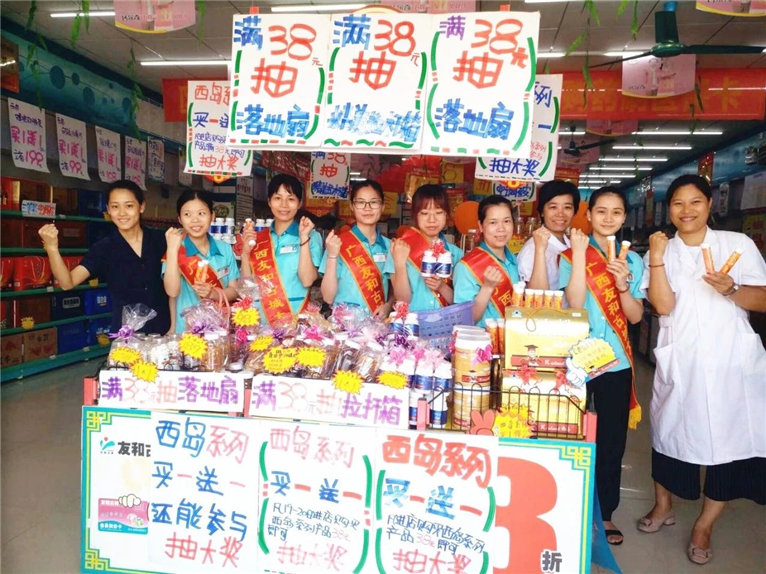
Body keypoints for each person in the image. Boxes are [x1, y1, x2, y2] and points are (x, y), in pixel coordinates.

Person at [637, 174, 766, 566]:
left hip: (731, 361)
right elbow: (662, 306)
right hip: (683, 359)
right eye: (678, 203)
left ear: (710, 204)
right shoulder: (663, 249)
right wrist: (657, 257)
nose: (687, 210)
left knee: (729, 445)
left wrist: (731, 289)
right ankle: (664, 506)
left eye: (695, 201)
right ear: (669, 209)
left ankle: (704, 526)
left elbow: (762, 298)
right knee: (670, 435)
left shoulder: (736, 244)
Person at [559, 186, 644, 546]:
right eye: (601, 211)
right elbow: (575, 304)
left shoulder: (633, 260)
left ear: (624, 217)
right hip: (574, 361)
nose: (608, 218)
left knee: (611, 441)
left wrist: (622, 285)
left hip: (616, 363)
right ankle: (567, 506)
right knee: (566, 433)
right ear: (589, 215)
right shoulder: (569, 255)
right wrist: (580, 257)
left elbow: (635, 317)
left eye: (616, 212)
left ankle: (605, 513)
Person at [38, 180, 171, 334]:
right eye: (115, 207)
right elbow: (67, 283)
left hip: (167, 330)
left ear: (141, 207)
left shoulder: (163, 240)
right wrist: (52, 248)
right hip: (127, 335)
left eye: (129, 206)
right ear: (108, 209)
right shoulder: (103, 248)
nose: (122, 213)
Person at [240, 174, 323, 325]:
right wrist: (245, 253)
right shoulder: (258, 239)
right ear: (269, 202)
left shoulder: (311, 236)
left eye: (290, 199)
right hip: (261, 319)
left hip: (295, 317)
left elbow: (307, 280)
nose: (284, 205)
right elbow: (247, 287)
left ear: (299, 203)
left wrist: (303, 238)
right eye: (278, 198)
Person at [163, 190, 240, 332]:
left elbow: (235, 290)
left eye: (201, 213)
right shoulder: (176, 249)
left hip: (219, 331)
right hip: (185, 331)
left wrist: (213, 294)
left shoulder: (225, 249)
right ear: (179, 219)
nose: (195, 220)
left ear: (212, 216)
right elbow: (172, 292)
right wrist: (172, 250)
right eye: (187, 214)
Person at [320, 179, 395, 318]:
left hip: (377, 325)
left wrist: (388, 305)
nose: (367, 208)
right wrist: (332, 255)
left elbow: (394, 288)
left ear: (383, 206)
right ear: (352, 206)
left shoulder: (390, 246)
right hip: (344, 325)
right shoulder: (337, 243)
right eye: (361, 202)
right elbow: (327, 298)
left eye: (374, 202)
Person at [390, 184, 463, 311]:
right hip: (412, 321)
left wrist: (442, 287)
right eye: (424, 213)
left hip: (444, 322)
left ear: (446, 214)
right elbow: (402, 301)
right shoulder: (399, 249)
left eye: (438, 212)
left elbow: (460, 303)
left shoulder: (456, 253)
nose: (432, 220)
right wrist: (400, 264)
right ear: (415, 215)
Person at [453, 195, 520, 326]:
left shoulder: (514, 260)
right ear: (481, 226)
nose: (501, 228)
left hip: (512, 336)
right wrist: (487, 288)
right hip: (483, 338)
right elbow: (464, 321)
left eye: (507, 221)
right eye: (493, 222)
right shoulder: (466, 267)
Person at [517, 179, 580, 299]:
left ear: (574, 212)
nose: (560, 214)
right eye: (553, 207)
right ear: (542, 212)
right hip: (545, 311)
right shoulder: (532, 249)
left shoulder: (572, 245)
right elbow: (534, 299)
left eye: (567, 207)